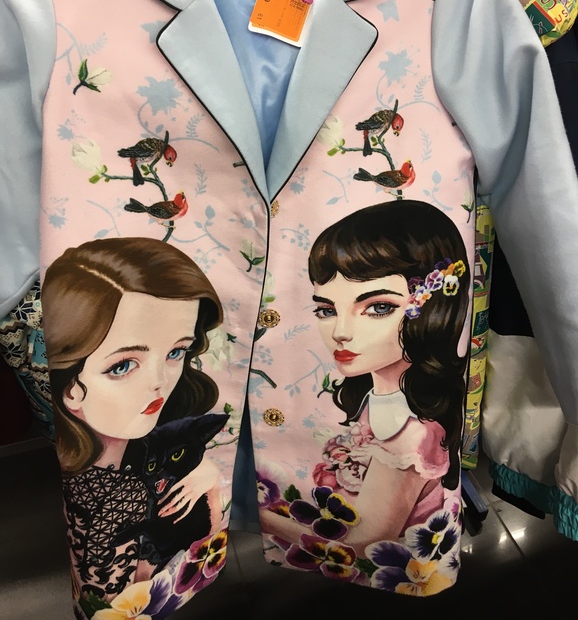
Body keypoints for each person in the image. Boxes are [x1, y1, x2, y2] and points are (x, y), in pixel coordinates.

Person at [261, 199, 469, 555]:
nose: (341, 332)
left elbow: (361, 545)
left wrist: (259, 517)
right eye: (326, 309)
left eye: (378, 307)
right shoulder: (381, 399)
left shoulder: (411, 435)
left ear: (432, 307)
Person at [43, 237, 225, 596]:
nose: (159, 381)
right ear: (71, 386)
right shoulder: (112, 494)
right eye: (123, 365)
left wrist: (210, 479)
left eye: (176, 352)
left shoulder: (143, 457)